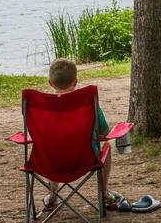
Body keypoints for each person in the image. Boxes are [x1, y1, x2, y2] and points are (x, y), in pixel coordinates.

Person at [43, 57, 118, 210]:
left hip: (51, 163)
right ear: (75, 81)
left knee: (50, 147)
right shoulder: (88, 102)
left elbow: (37, 136)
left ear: (50, 83)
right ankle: (103, 192)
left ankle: (52, 195)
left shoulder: (43, 107)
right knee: (107, 146)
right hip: (86, 160)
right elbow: (104, 133)